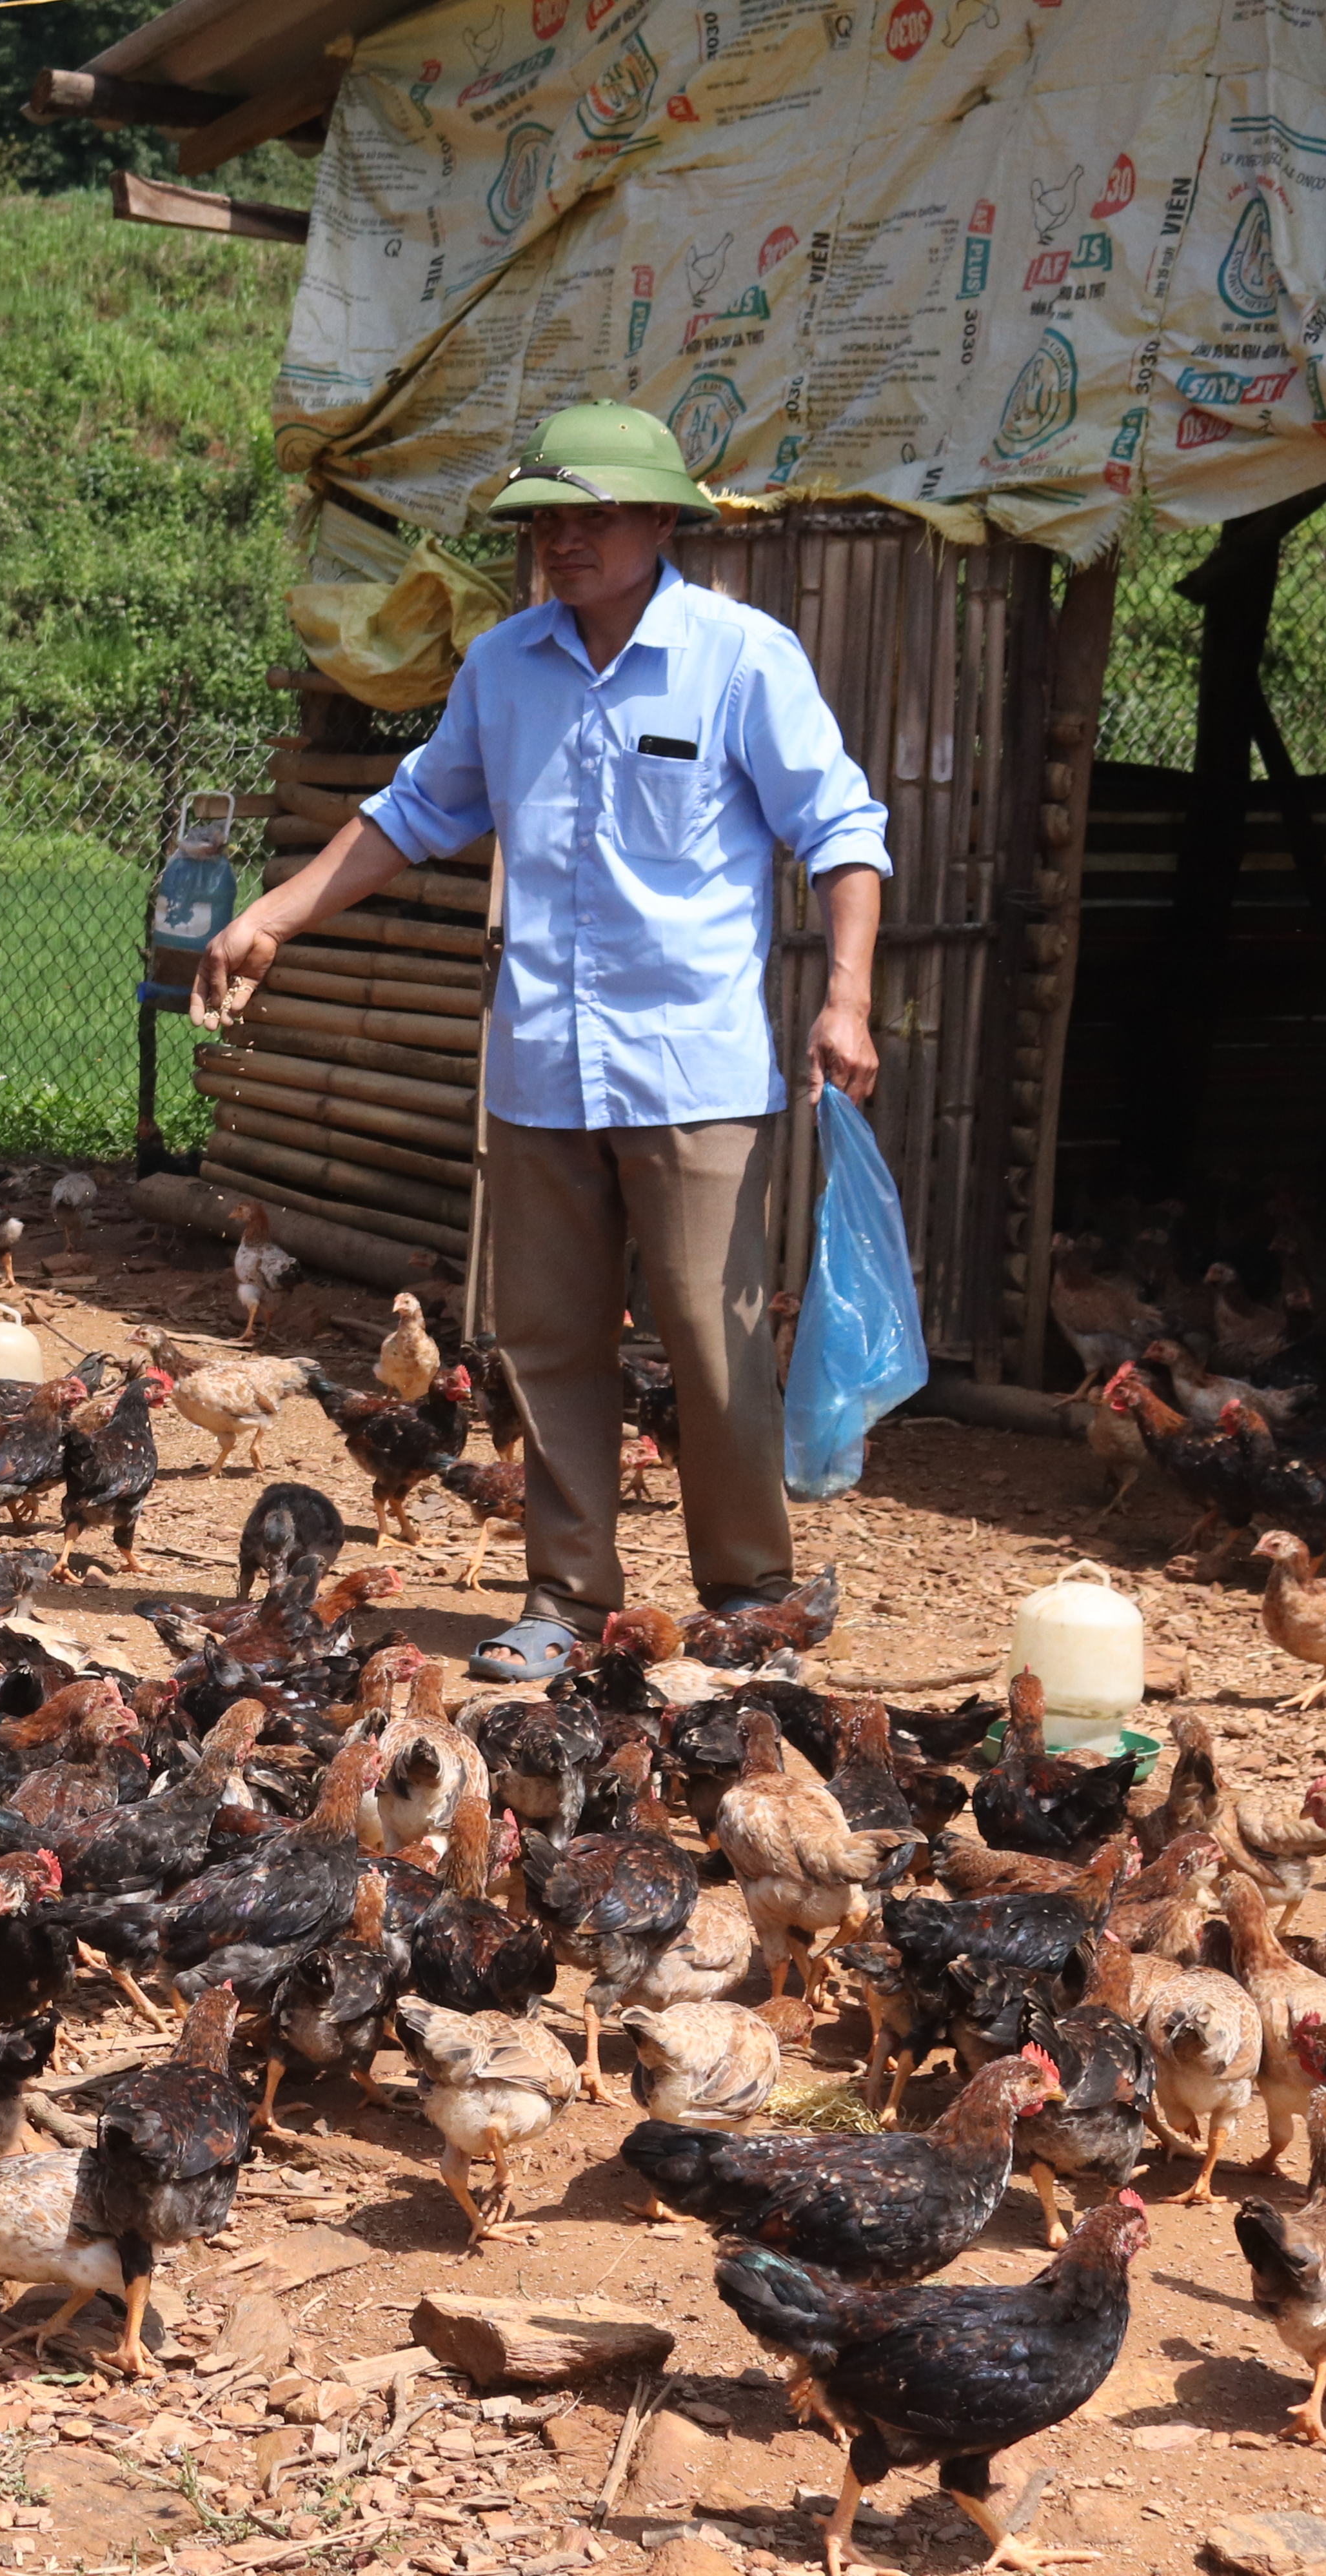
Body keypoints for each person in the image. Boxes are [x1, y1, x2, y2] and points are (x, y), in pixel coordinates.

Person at [192, 402, 889, 1683]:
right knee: (550, 1340)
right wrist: (273, 917)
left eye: (592, 515)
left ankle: (749, 1601)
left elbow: (842, 829)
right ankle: (565, 1601)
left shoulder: (740, 660)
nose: (562, 538)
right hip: (540, 1070)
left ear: (661, 520)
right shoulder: (505, 667)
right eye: (544, 518)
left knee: (713, 1334)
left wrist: (845, 996)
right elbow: (412, 812)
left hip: (696, 1072)